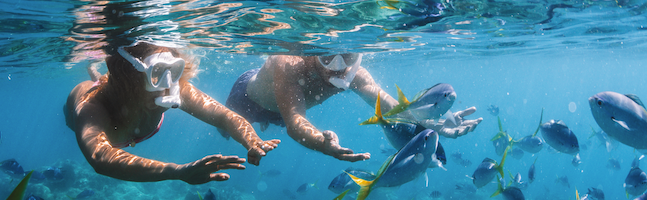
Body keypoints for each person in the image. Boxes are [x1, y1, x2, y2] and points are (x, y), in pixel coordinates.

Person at [64, 41, 281, 185]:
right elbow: (99, 157)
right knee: (78, 110)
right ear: (129, 78)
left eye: (173, 70)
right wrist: (177, 171)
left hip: (121, 96)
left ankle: (97, 72)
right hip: (86, 98)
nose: (168, 85)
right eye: (157, 72)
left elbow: (223, 115)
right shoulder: (92, 108)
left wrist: (251, 140)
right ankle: (94, 72)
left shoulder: (172, 86)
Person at [224, 53, 482, 161]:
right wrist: (320, 143)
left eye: (346, 56)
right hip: (247, 100)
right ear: (313, 52)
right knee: (225, 130)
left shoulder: (354, 74)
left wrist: (430, 120)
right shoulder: (288, 66)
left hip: (278, 112)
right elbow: (294, 121)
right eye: (327, 57)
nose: (337, 66)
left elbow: (387, 105)